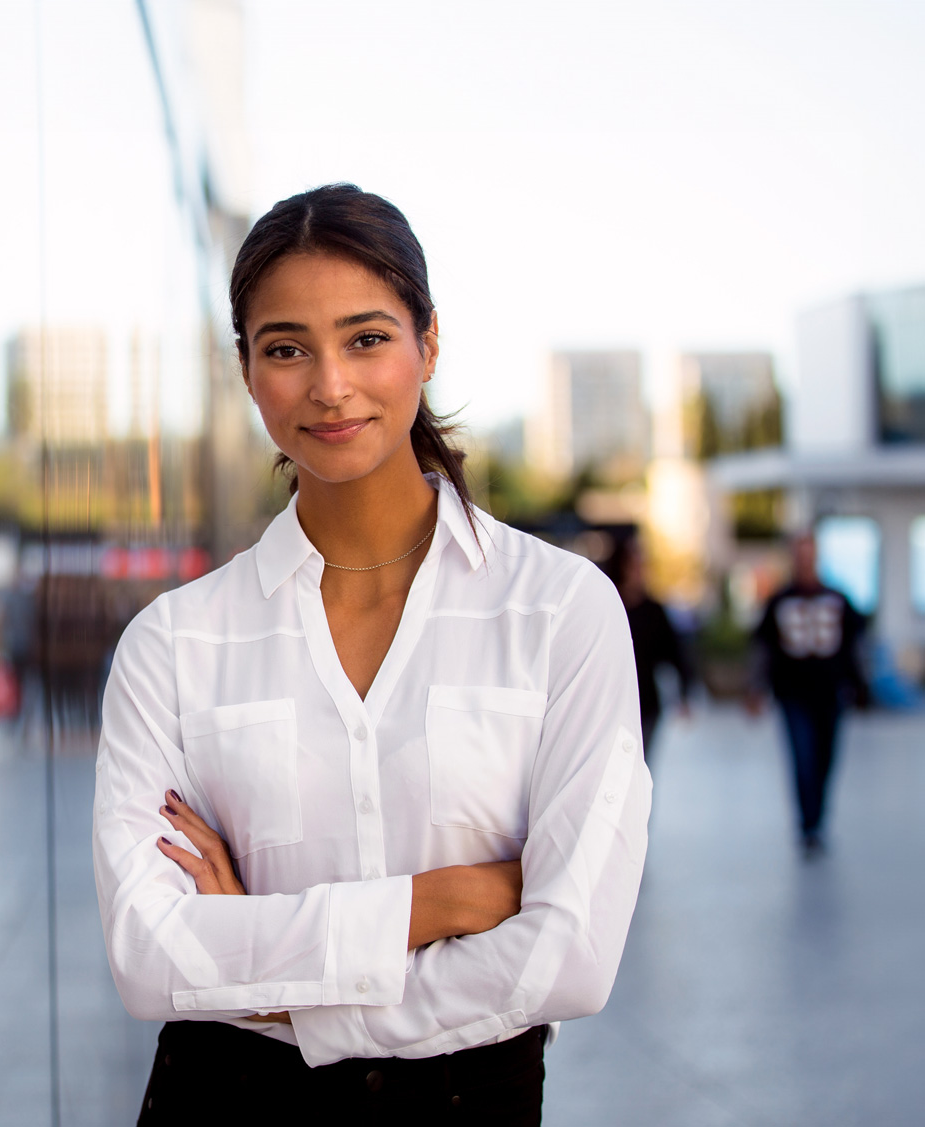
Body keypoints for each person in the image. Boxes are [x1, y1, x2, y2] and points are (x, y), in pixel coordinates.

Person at [92, 184, 650, 1125]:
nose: (330, 385)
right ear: (245, 368)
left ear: (428, 343)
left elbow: (572, 957)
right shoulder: (174, 643)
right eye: (285, 349)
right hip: (222, 1103)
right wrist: (435, 905)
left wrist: (276, 988)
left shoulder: (559, 609)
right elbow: (151, 956)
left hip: (470, 1103)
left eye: (366, 338)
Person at [747, 531, 867, 858]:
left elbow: (855, 645)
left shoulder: (837, 598)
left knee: (826, 757)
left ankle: (818, 818)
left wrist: (860, 685)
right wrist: (756, 688)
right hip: (793, 693)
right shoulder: (779, 600)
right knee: (802, 757)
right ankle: (807, 826)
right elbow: (764, 648)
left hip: (830, 693)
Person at [607, 534, 693, 761]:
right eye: (634, 566)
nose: (640, 572)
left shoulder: (654, 610)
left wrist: (684, 694)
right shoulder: (607, 605)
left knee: (639, 764)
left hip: (645, 702)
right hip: (609, 701)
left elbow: (674, 653)